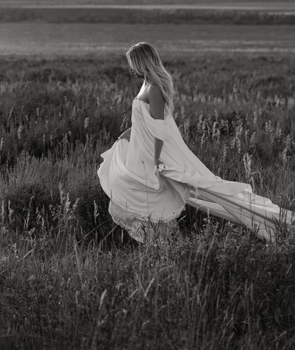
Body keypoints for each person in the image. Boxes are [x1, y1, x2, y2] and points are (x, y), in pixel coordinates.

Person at [98, 41, 293, 243]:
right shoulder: (146, 84)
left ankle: (276, 224)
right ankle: (156, 237)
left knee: (201, 191)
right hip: (142, 149)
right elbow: (143, 121)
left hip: (153, 153)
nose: (130, 69)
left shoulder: (155, 88)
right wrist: (127, 134)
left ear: (142, 62)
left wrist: (156, 159)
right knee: (128, 182)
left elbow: (159, 129)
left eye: (133, 63)